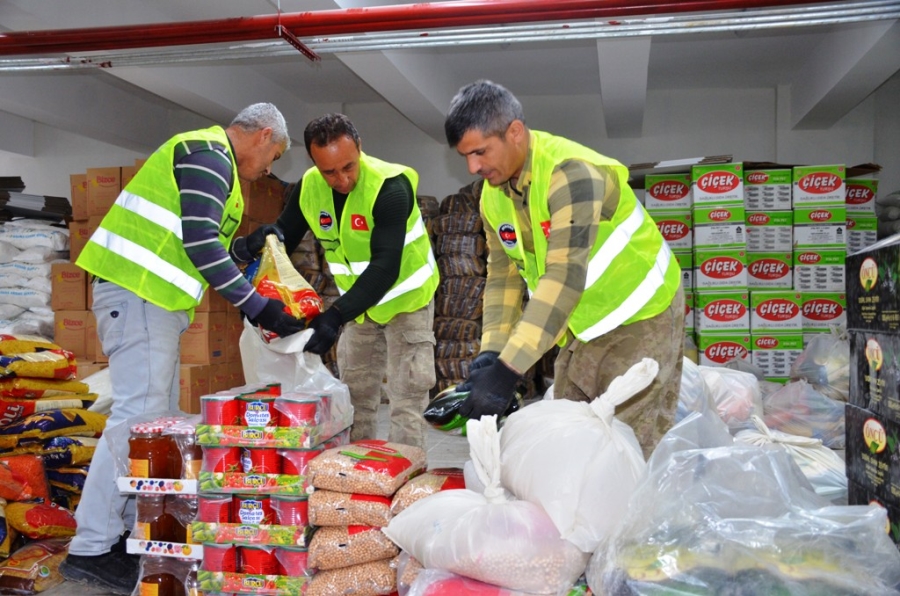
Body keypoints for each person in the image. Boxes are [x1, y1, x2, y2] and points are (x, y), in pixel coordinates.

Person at [62, 103, 304, 594]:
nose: (268, 169)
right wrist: (256, 306)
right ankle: (92, 547)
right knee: (136, 421)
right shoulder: (208, 153)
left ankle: (134, 533)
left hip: (153, 301)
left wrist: (248, 246)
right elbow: (199, 243)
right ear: (261, 136)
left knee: (156, 423)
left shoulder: (213, 165)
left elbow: (199, 241)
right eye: (273, 157)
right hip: (139, 295)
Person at [445, 80, 684, 458]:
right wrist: (492, 351)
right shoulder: (494, 196)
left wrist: (509, 371)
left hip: (640, 317)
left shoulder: (572, 174)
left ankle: (632, 518)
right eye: (465, 157)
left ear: (515, 132)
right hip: (581, 326)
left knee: (623, 447)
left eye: (480, 152)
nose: (473, 167)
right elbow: (503, 278)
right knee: (571, 439)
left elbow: (564, 276)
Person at [272, 113, 438, 449]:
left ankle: (404, 484)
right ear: (313, 161)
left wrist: (334, 317)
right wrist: (259, 283)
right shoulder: (310, 187)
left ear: (360, 147)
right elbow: (281, 240)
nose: (342, 179)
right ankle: (356, 480)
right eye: (329, 171)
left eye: (348, 166)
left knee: (406, 401)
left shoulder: (390, 186)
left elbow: (384, 268)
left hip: (406, 302)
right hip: (360, 310)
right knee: (355, 397)